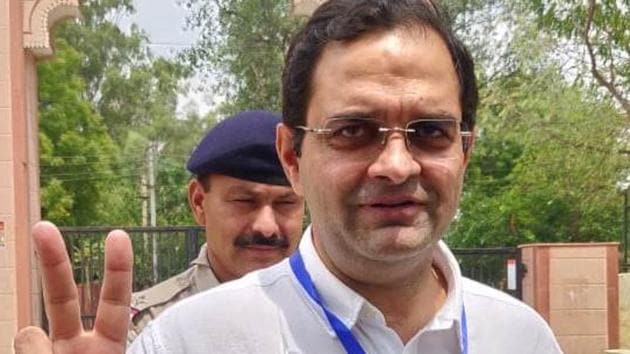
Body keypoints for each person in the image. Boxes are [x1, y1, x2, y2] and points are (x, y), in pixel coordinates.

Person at [15, 1, 563, 353]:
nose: (397, 165)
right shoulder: (188, 341)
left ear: (464, 152)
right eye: (353, 130)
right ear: (293, 157)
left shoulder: (521, 338)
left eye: (429, 132)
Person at [127, 110, 305, 343]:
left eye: (286, 203)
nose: (267, 227)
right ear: (199, 203)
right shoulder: (147, 328)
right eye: (244, 201)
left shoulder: (339, 313)